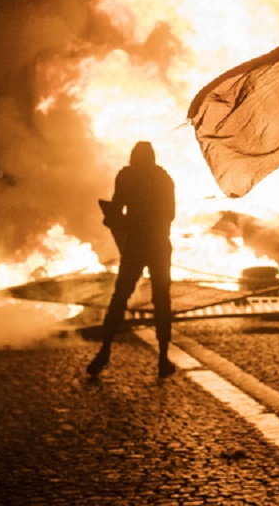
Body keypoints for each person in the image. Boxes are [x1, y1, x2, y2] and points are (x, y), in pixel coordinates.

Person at [87, 141, 177, 380]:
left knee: (120, 296)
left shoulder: (126, 176)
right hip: (159, 243)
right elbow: (170, 214)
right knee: (162, 299)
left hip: (135, 244)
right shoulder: (164, 178)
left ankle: (104, 352)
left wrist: (115, 220)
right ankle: (163, 358)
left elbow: (117, 208)